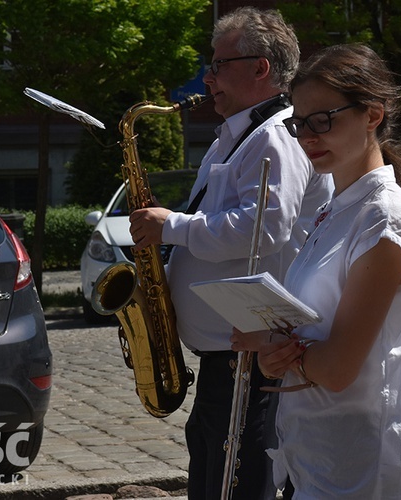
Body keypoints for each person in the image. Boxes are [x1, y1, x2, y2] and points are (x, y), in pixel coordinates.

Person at [129, 7, 333, 500]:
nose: (208, 76)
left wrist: (171, 227)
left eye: (218, 64)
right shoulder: (240, 135)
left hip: (248, 356)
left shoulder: (276, 136)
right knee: (210, 473)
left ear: (260, 67)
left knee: (236, 484)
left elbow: (264, 230)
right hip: (226, 352)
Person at [231, 44, 401, 498]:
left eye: (324, 119)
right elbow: (311, 333)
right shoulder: (335, 209)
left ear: (372, 115)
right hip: (318, 456)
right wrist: (275, 357)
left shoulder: (384, 218)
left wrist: (273, 345)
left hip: (362, 465)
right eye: (299, 123)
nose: (308, 136)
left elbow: (340, 367)